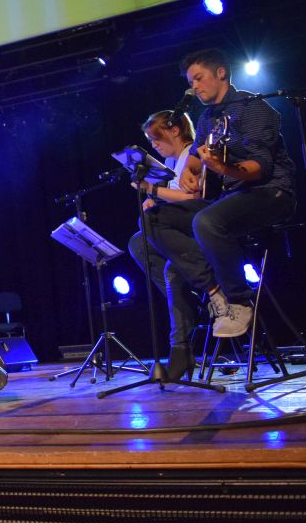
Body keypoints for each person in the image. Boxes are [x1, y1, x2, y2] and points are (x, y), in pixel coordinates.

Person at [145, 49, 296, 379]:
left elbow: (259, 168)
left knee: (206, 221)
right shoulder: (206, 118)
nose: (194, 87)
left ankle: (239, 301)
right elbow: (197, 157)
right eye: (191, 82)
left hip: (270, 193)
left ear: (221, 73)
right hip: (233, 196)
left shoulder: (254, 108)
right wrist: (192, 171)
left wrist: (220, 167)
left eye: (199, 78)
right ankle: (215, 292)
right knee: (152, 220)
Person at [126, 109, 201, 374]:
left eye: (156, 138)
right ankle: (187, 300)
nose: (154, 145)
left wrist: (153, 190)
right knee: (138, 244)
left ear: (175, 131)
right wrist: (155, 199)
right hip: (178, 227)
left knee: (172, 270)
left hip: (195, 230)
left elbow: (193, 198)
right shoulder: (171, 162)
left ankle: (180, 345)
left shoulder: (192, 155)